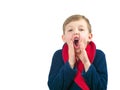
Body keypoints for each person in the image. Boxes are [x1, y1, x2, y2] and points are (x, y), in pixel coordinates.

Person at [47, 14, 108, 90]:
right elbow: (54, 87)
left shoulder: (99, 55)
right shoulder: (58, 55)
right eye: (70, 30)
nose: (76, 32)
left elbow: (101, 88)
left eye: (81, 29)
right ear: (64, 38)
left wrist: (86, 62)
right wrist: (70, 63)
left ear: (90, 37)